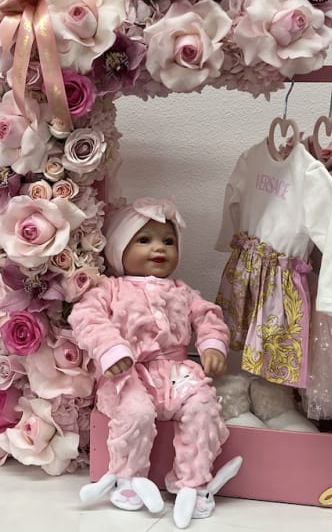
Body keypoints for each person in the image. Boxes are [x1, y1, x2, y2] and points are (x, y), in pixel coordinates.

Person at [69, 197, 240, 528]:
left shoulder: (182, 291)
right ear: (119, 248)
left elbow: (208, 316)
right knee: (135, 413)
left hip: (177, 373)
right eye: (144, 240)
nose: (159, 248)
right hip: (127, 372)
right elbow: (86, 318)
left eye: (168, 241)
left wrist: (212, 345)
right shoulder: (109, 289)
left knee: (203, 407)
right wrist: (111, 350)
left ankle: (193, 482)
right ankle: (128, 478)